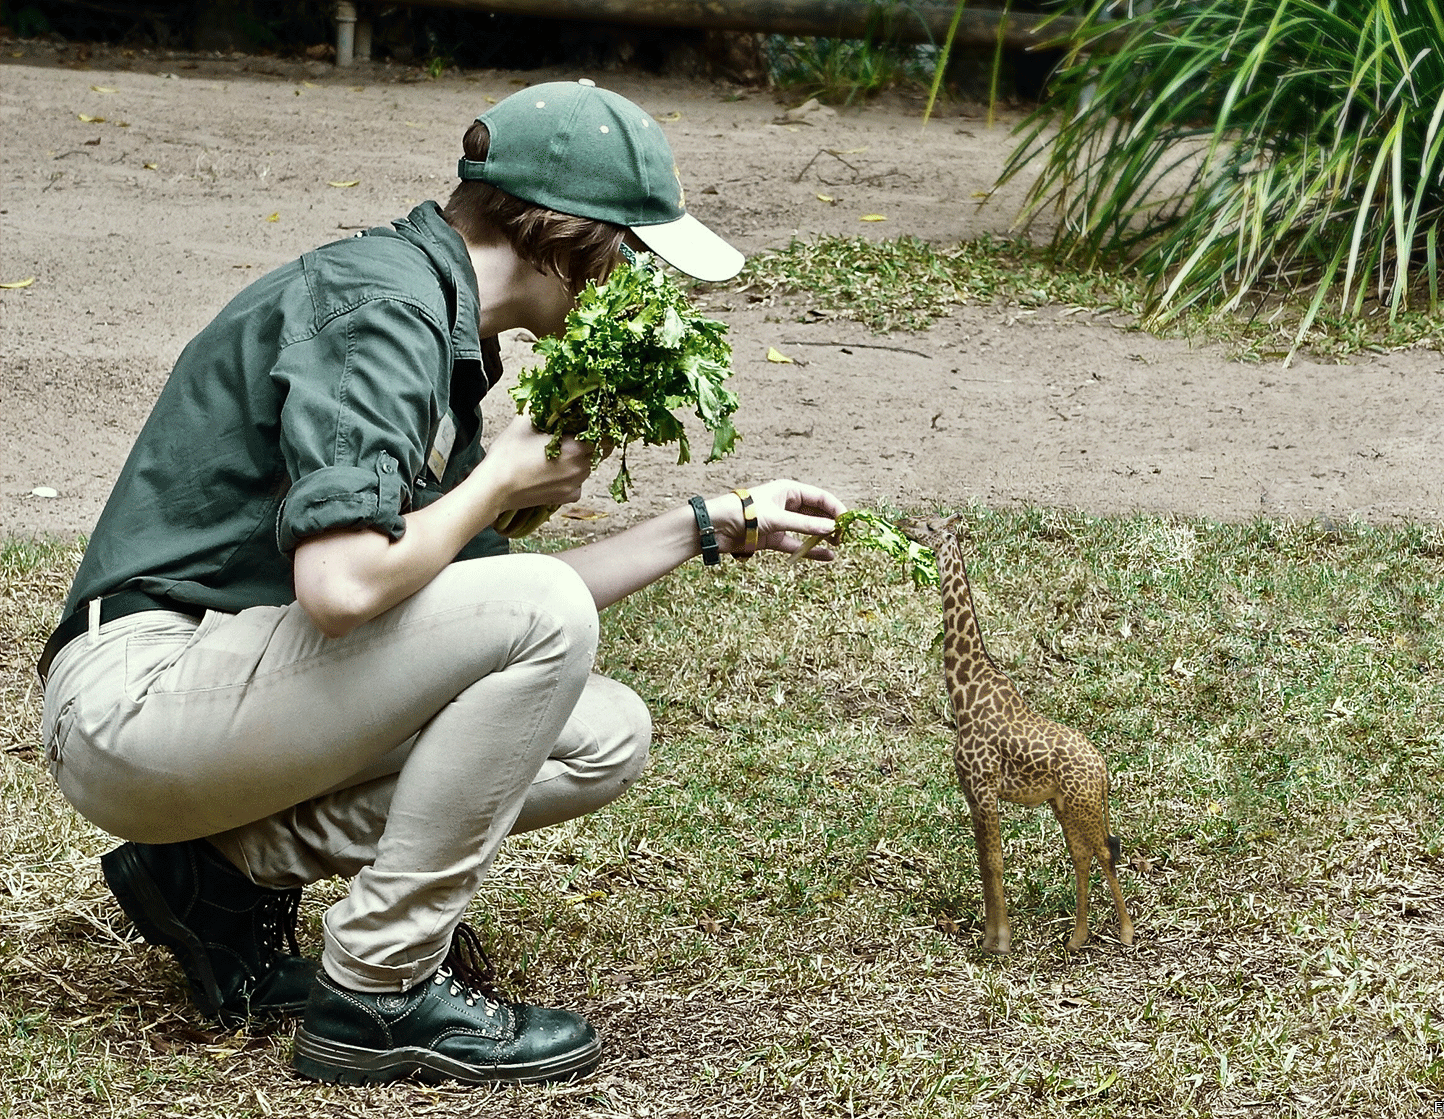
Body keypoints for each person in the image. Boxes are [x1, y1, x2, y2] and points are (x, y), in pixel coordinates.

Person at [36, 78, 845, 1087]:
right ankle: (380, 993)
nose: (642, 287)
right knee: (541, 615)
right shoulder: (384, 309)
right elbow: (341, 588)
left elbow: (477, 607)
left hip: (212, 698)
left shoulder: (440, 326)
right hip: (137, 701)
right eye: (636, 255)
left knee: (601, 735)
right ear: (572, 235)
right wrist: (501, 475)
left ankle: (216, 878)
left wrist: (708, 527)